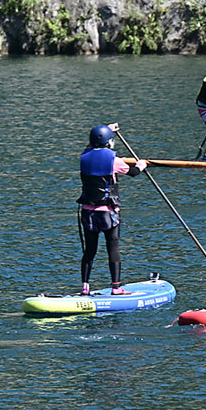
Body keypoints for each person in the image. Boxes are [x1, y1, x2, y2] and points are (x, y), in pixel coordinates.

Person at [76, 123, 147, 296]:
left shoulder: (83, 157)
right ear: (108, 142)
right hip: (108, 212)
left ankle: (85, 286)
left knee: (89, 250)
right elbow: (133, 172)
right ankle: (116, 287)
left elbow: (91, 148)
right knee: (112, 249)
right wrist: (141, 165)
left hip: (88, 212)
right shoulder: (115, 161)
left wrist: (106, 130)